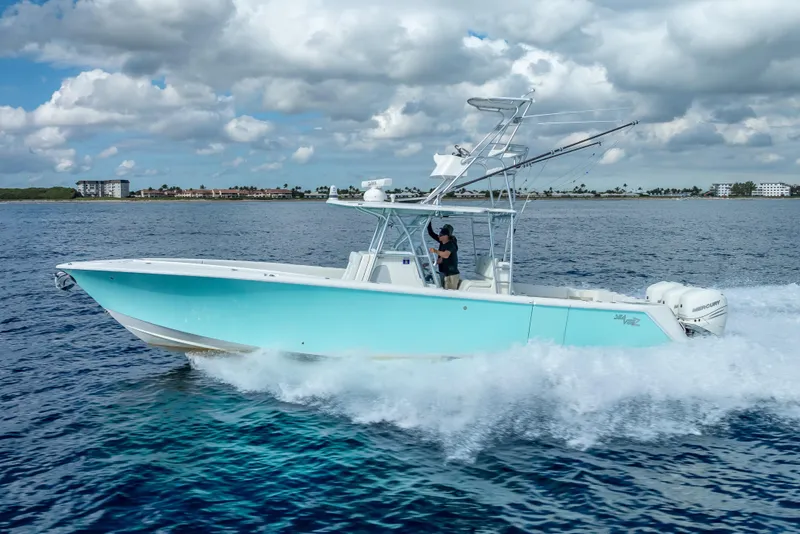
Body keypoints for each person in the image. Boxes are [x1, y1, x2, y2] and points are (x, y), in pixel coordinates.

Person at [427, 221, 459, 289]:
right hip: (443, 273)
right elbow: (441, 260)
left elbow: (446, 255)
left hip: (451, 275)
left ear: (446, 235)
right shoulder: (443, 242)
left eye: (441, 234)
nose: (438, 236)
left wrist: (435, 251)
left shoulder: (451, 244)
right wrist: (428, 263)